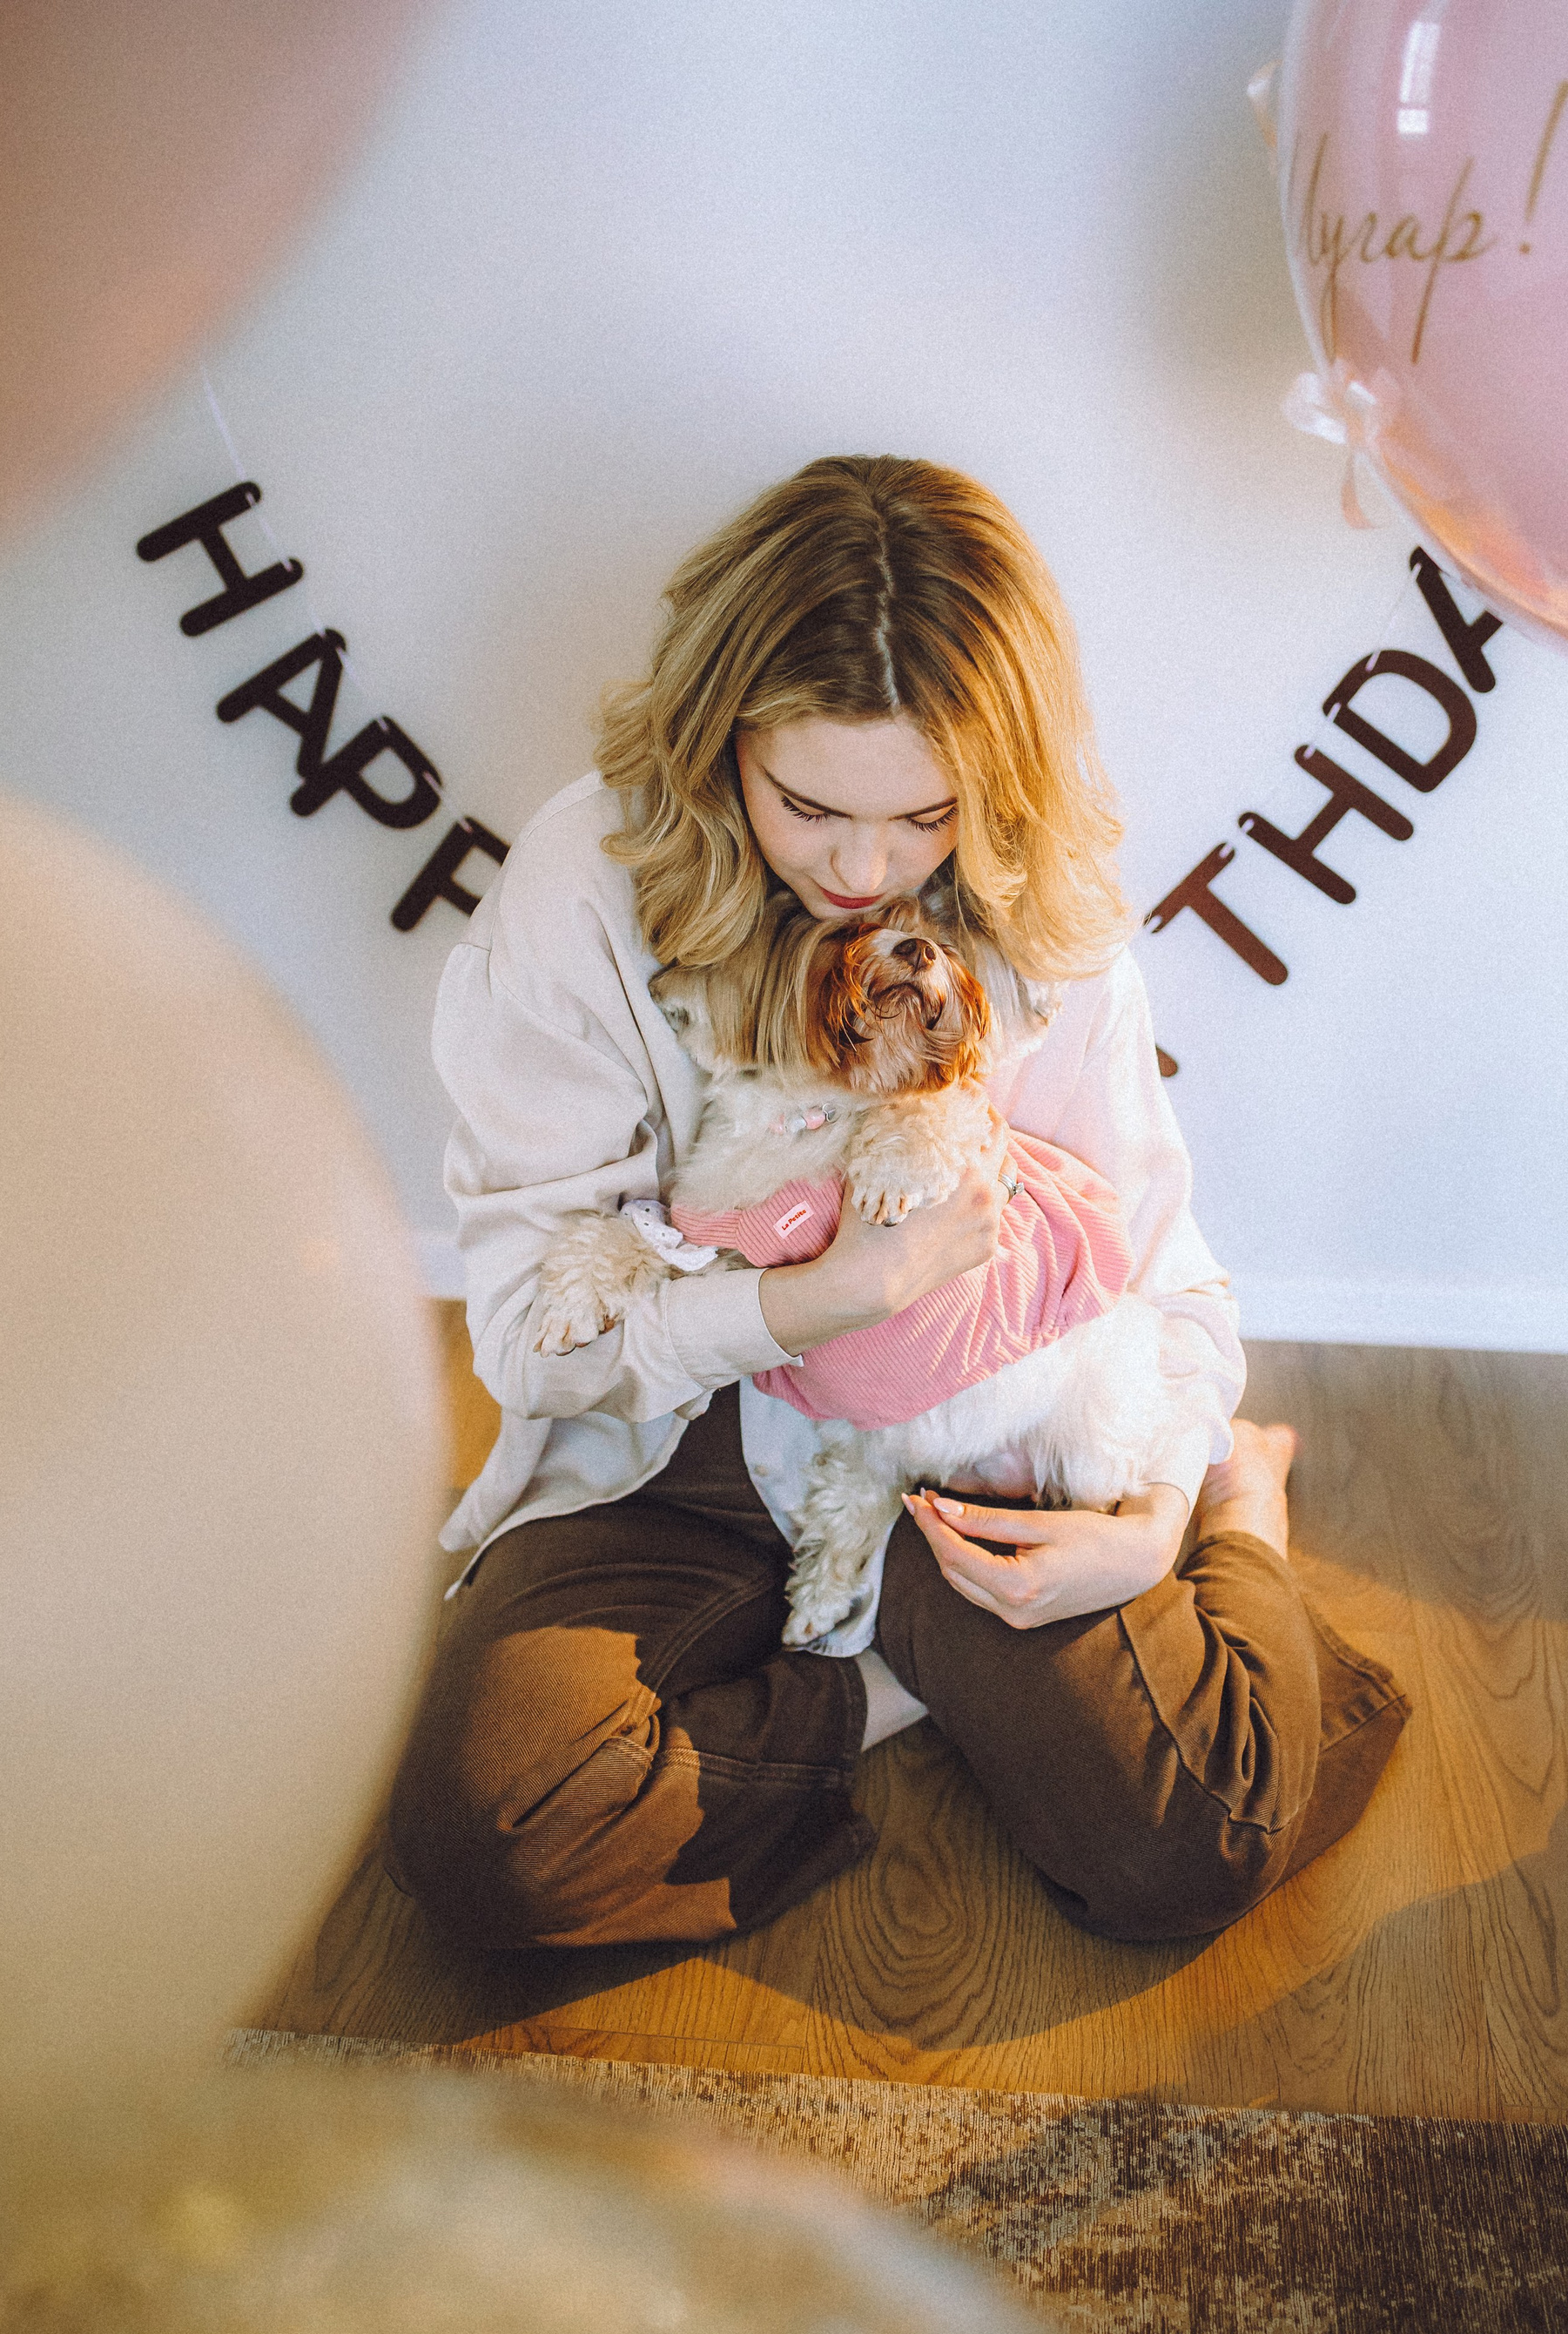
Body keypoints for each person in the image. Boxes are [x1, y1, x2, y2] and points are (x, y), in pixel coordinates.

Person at [387, 455, 1410, 1949]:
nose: (865, 873)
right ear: (717, 740)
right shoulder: (582, 886)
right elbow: (531, 1351)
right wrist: (817, 1301)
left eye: (926, 818)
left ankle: (1243, 1517)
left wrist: (1158, 1521)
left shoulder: (1044, 921)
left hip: (955, 1449)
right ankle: (885, 1689)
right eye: (807, 806)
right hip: (668, 1450)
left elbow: (1164, 1282)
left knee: (1197, 1837)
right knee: (487, 1840)